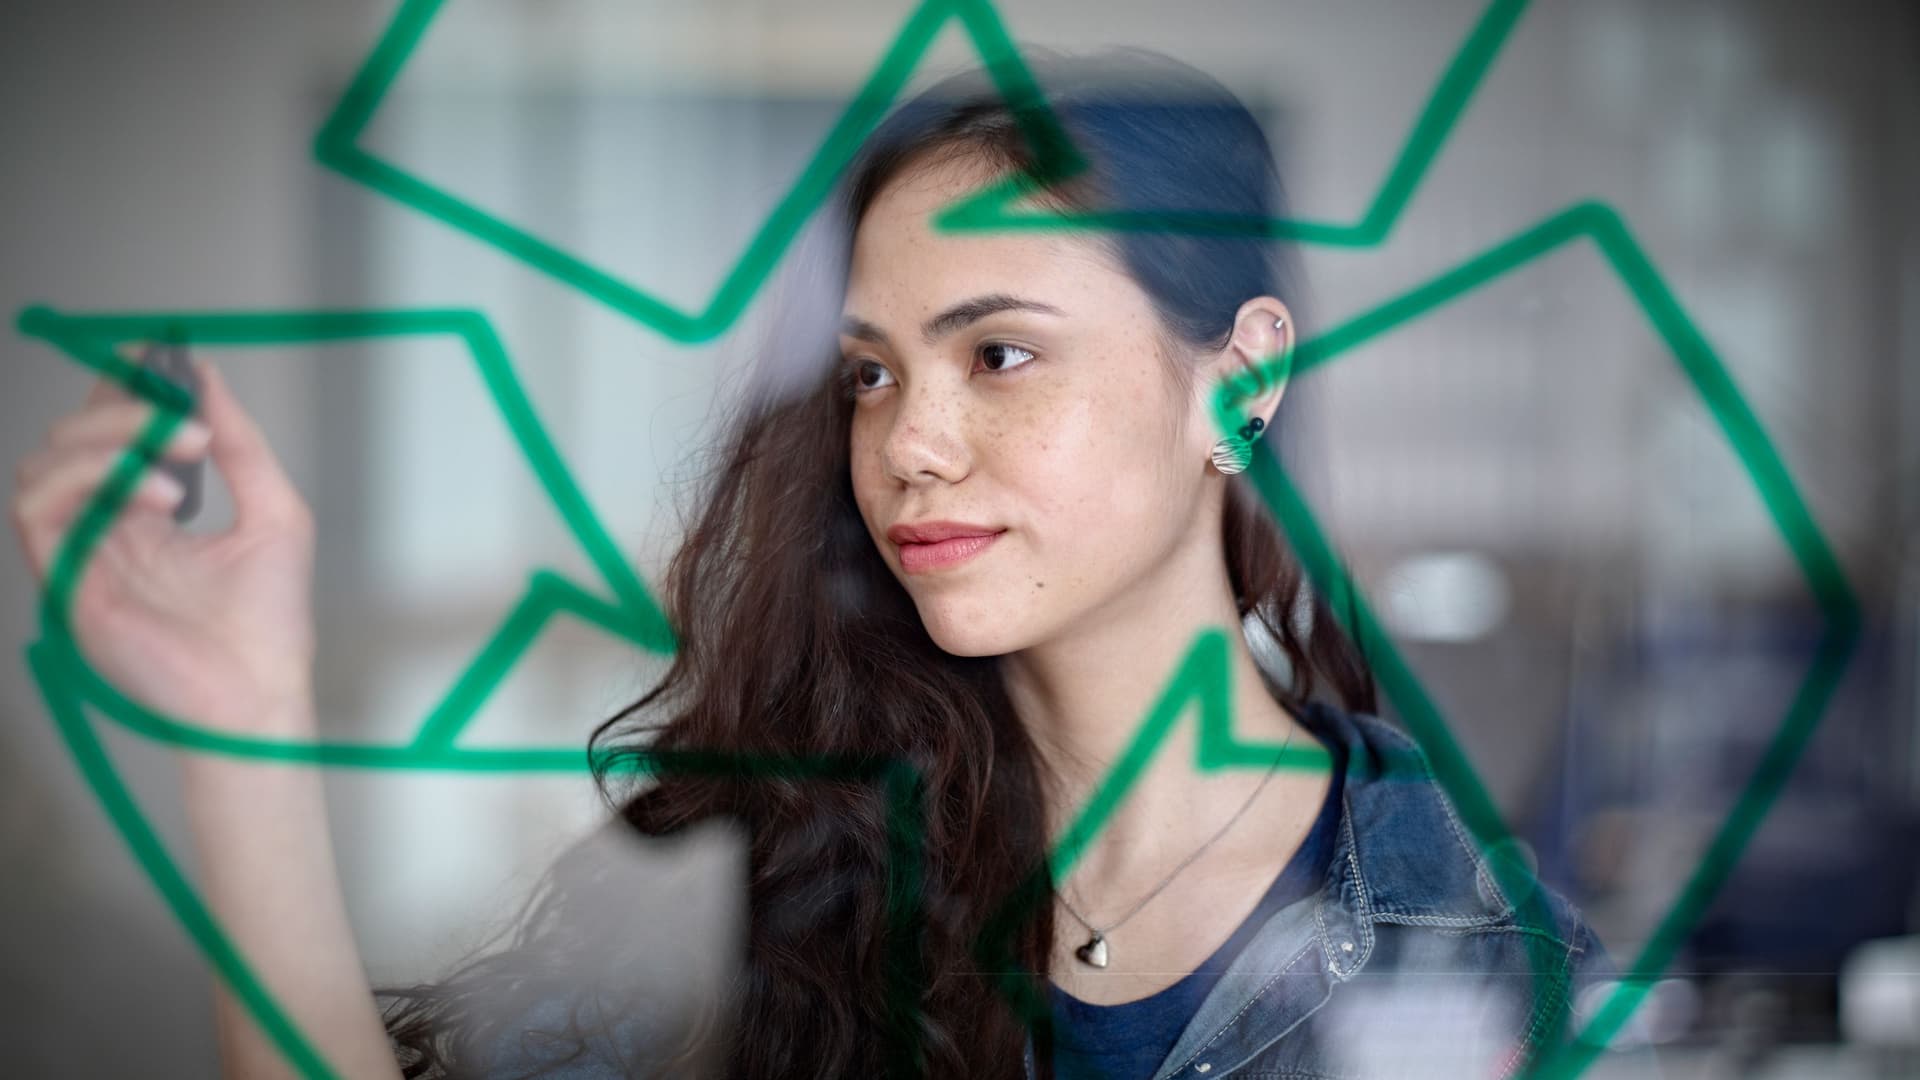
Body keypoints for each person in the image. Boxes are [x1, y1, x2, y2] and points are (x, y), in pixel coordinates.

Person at [9, 48, 1635, 1080]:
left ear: (1242, 379)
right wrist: (240, 716)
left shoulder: (1490, 964)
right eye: (869, 373)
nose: (909, 442)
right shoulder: (796, 855)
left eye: (998, 355)